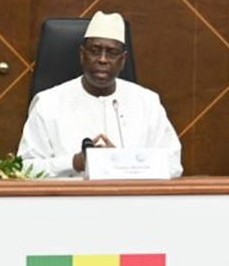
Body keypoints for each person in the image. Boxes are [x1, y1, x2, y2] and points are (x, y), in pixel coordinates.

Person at [18, 11, 183, 178]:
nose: (103, 59)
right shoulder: (48, 103)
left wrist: (122, 162)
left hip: (129, 195)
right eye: (94, 51)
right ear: (82, 55)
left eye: (112, 52)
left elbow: (173, 165)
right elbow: (24, 168)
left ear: (123, 60)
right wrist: (75, 162)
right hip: (71, 194)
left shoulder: (147, 103)